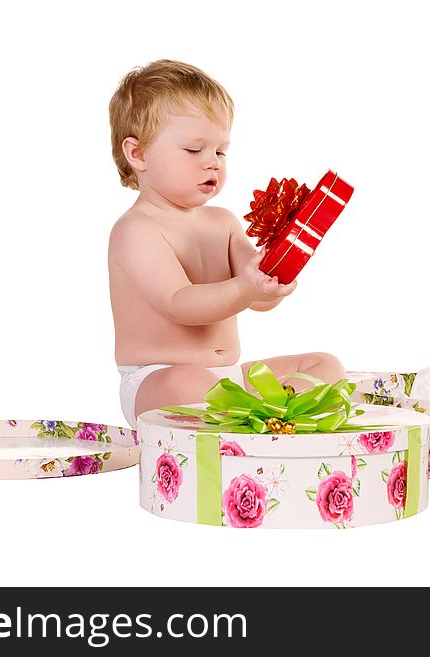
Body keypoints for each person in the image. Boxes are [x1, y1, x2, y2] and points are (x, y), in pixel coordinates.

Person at [108, 59, 344, 427]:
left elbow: (257, 296)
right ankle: (257, 418)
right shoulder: (137, 229)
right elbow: (180, 304)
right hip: (157, 380)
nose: (212, 163)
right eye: (193, 150)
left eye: (220, 151)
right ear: (138, 154)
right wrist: (246, 286)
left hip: (228, 378)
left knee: (326, 365)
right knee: (186, 382)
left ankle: (275, 418)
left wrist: (273, 282)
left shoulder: (223, 222)